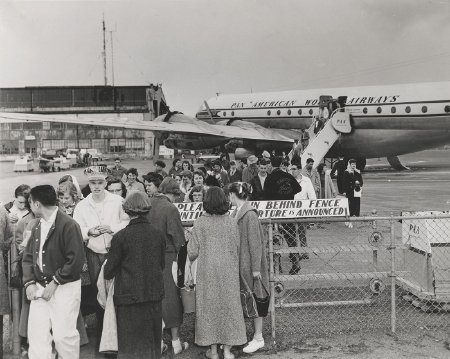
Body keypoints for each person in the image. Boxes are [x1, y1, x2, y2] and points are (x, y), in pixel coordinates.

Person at [22, 185, 85, 359]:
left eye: (30, 202)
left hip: (65, 288)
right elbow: (27, 257)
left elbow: (76, 260)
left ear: (36, 204)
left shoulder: (69, 225)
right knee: (37, 336)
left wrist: (56, 282)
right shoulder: (36, 226)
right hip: (39, 287)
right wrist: (28, 283)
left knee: (64, 336)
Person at [73, 166, 129, 351]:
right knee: (99, 292)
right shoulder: (82, 205)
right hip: (94, 253)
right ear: (88, 184)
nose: (96, 186)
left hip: (116, 251)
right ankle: (103, 338)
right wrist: (89, 231)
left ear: (106, 182)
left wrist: (111, 228)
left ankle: (120, 335)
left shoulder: (118, 201)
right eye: (92, 183)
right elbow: (77, 229)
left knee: (117, 291)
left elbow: (128, 222)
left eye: (100, 182)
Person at [104, 192, 165, 359]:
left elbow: (108, 271)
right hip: (153, 293)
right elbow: (161, 264)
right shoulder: (158, 234)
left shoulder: (120, 237)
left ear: (126, 211)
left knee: (130, 345)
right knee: (152, 342)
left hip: (128, 297)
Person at [187, 187, 246, 359]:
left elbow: (192, 252)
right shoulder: (231, 222)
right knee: (230, 307)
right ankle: (227, 351)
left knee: (208, 309)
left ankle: (213, 352)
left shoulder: (200, 222)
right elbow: (238, 247)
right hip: (229, 270)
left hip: (207, 272)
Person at [146, 177, 188, 355]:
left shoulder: (147, 203)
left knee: (153, 299)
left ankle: (158, 341)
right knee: (171, 298)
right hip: (168, 257)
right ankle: (176, 341)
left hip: (147, 258)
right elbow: (178, 239)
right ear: (174, 193)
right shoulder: (170, 208)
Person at [229, 182, 269, 354]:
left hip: (250, 267)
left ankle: (259, 337)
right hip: (242, 264)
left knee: (256, 298)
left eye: (229, 194)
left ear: (233, 194)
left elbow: (255, 244)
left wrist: (255, 269)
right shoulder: (238, 212)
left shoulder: (249, 214)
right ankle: (251, 336)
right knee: (249, 300)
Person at [264, 157, 302, 274]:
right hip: (289, 212)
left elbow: (266, 195)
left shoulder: (269, 178)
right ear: (281, 164)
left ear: (271, 164)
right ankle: (296, 263)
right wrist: (288, 195)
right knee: (291, 238)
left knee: (275, 239)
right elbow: (298, 188)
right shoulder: (289, 177)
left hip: (275, 214)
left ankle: (277, 265)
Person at [343, 158, 363, 224]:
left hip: (357, 190)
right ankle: (351, 215)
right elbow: (345, 182)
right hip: (350, 190)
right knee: (351, 203)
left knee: (357, 202)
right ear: (350, 164)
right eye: (352, 164)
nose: (354, 166)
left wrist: (359, 183)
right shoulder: (347, 172)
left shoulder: (357, 171)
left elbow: (361, 181)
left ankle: (357, 215)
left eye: (354, 164)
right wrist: (345, 191)